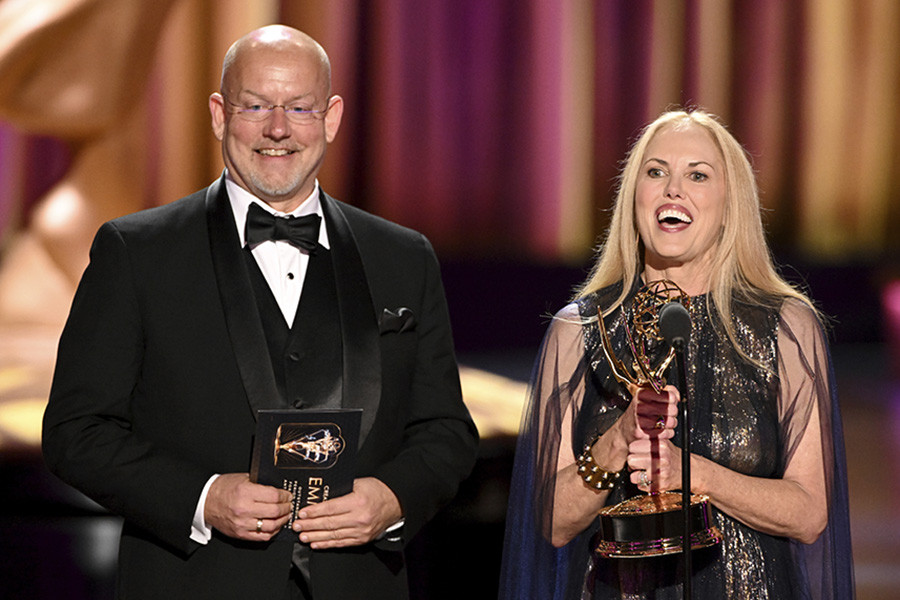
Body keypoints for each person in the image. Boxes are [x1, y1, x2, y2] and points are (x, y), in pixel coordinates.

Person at [42, 24, 478, 600]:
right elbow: (75, 432)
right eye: (256, 106)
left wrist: (393, 498)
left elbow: (446, 430)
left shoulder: (403, 256)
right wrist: (202, 497)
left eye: (300, 107)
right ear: (221, 115)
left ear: (332, 117)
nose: (278, 128)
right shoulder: (136, 252)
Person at [498, 109, 854, 599]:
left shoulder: (786, 327)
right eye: (656, 171)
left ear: (731, 204)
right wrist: (618, 440)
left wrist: (695, 473)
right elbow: (551, 523)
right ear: (634, 197)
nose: (673, 190)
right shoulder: (577, 329)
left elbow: (811, 513)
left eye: (698, 175)